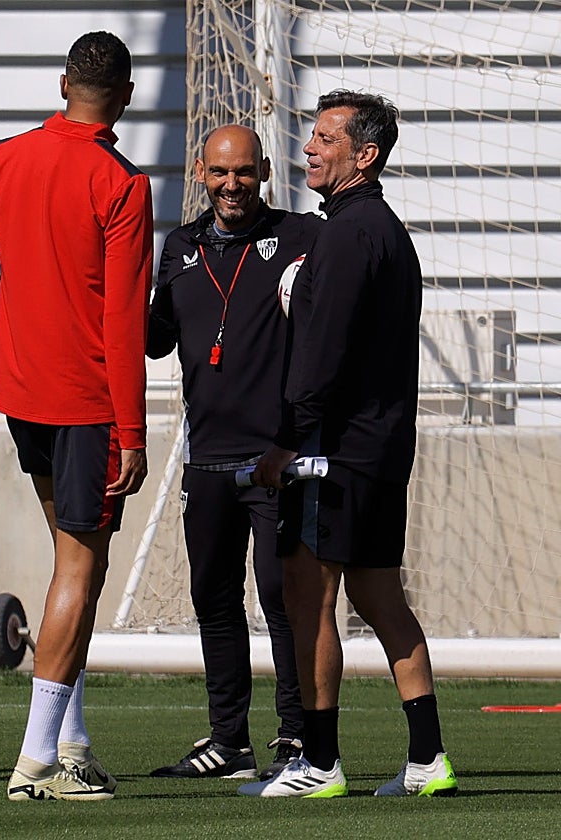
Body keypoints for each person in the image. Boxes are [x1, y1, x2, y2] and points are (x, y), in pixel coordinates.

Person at [0, 30, 152, 802]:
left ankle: (71, 739)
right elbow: (125, 324)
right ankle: (37, 760)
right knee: (82, 568)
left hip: (21, 397)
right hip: (86, 403)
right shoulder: (122, 184)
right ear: (126, 98)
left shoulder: (6, 157)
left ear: (62, 83)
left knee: (71, 562)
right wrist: (132, 431)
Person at [240, 90, 457, 798]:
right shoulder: (385, 229)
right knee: (380, 596)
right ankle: (428, 759)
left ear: (364, 155)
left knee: (309, 593)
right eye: (312, 135)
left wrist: (285, 444)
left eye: (326, 138)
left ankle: (320, 762)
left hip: (333, 452)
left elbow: (321, 358)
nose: (310, 148)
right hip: (380, 449)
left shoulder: (344, 234)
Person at [147, 125, 320, 782]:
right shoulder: (180, 246)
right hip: (207, 459)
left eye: (244, 173)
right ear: (200, 172)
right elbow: (157, 339)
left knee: (283, 597)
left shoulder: (301, 236)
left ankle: (300, 738)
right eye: (219, 173)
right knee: (213, 597)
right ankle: (228, 741)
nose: (231, 186)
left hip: (278, 458)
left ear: (266, 172)